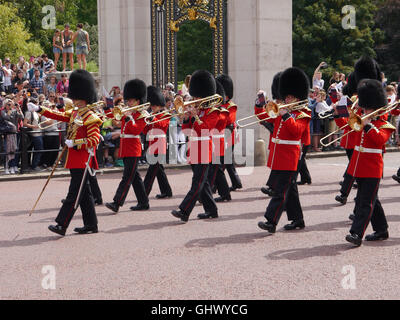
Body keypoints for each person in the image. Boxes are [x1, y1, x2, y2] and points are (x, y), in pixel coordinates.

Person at [29, 70, 102, 236]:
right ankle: (91, 224)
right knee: (84, 195)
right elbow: (59, 115)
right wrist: (40, 109)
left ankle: (61, 224)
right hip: (75, 159)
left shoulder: (90, 116)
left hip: (82, 159)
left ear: (83, 97)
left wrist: (75, 144)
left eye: (76, 97)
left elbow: (94, 140)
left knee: (73, 194)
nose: (73, 99)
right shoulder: (76, 113)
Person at [257, 67, 311, 234]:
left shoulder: (304, 114)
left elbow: (296, 132)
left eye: (290, 97)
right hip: (279, 155)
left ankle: (270, 221)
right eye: (286, 97)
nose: (287, 100)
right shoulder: (281, 111)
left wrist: (286, 115)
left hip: (290, 156)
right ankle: (297, 219)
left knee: (280, 191)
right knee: (291, 189)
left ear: (298, 98)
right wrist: (260, 104)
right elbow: (264, 117)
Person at [345, 79, 395, 246]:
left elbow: (379, 140)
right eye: (364, 107)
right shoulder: (361, 120)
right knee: (371, 199)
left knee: (364, 202)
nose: (365, 110)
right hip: (359, 166)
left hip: (373, 168)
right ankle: (381, 230)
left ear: (377, 109)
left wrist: (368, 126)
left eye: (368, 108)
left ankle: (356, 233)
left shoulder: (385, 125)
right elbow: (350, 133)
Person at [171, 70, 219, 222]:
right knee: (202, 183)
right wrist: (186, 118)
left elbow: (204, 129)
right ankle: (211, 210)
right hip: (194, 149)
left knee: (197, 182)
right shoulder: (198, 110)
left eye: (198, 96)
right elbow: (187, 131)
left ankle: (184, 210)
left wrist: (195, 115)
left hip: (205, 150)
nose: (195, 99)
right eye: (195, 96)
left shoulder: (213, 111)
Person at [105, 79, 150, 213]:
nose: (128, 103)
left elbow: (136, 130)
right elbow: (117, 121)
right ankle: (143, 202)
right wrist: (108, 107)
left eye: (131, 101)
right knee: (135, 177)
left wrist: (129, 118)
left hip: (133, 148)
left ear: (138, 101)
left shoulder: (143, 114)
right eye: (128, 100)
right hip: (126, 147)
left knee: (127, 177)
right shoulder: (130, 113)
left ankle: (117, 202)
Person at [143, 86, 173, 199]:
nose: (152, 107)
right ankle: (167, 191)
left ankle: (143, 193)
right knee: (159, 170)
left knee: (152, 171)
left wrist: (152, 119)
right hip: (152, 143)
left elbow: (162, 125)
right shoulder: (151, 115)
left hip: (160, 144)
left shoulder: (166, 114)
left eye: (154, 105)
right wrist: (145, 121)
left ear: (160, 105)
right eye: (152, 105)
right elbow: (146, 130)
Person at [216, 74, 243, 191]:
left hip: (229, 137)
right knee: (227, 162)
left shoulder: (231, 106)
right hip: (221, 137)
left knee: (221, 164)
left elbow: (229, 121)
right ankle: (236, 182)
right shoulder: (220, 104)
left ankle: (215, 185)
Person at [208, 79, 232, 203]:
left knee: (214, 169)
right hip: (212, 143)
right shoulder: (212, 111)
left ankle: (209, 191)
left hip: (218, 143)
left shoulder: (222, 111)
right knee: (217, 170)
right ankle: (225, 194)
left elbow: (217, 123)